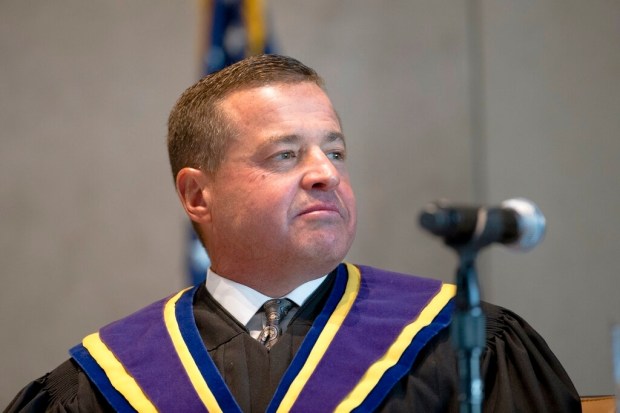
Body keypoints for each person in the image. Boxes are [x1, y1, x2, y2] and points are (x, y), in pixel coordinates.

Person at [4, 54, 581, 412]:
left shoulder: (462, 344)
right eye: (285, 155)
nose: (326, 173)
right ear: (197, 195)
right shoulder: (106, 381)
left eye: (335, 151)